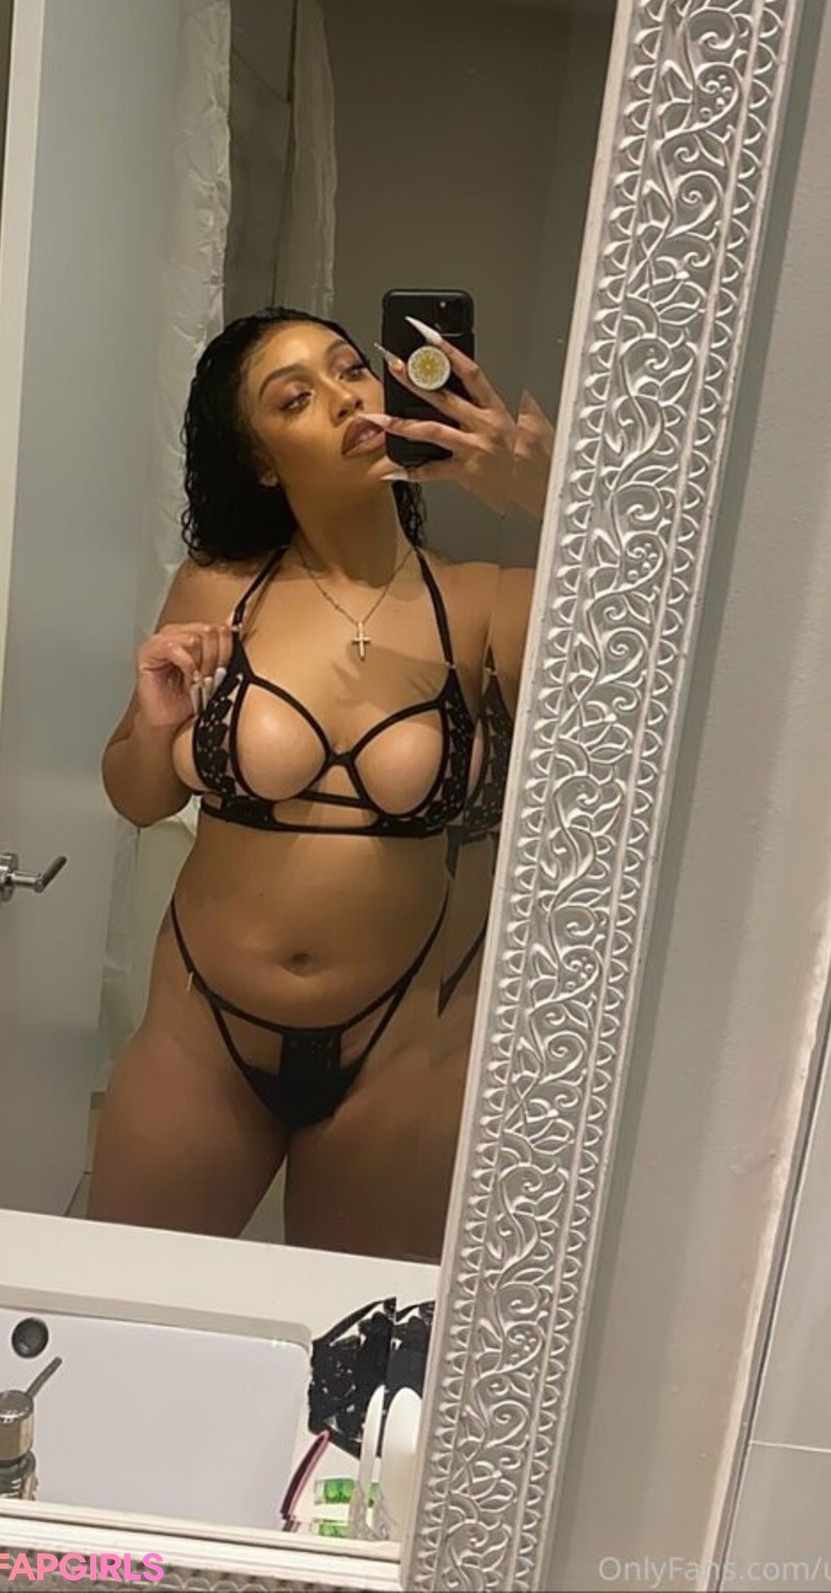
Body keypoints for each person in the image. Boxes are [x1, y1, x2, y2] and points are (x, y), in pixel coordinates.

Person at [89, 307, 549, 1259]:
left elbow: (664, 655)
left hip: (402, 1051)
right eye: (294, 397)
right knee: (130, 1305)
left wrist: (551, 494)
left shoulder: (483, 602)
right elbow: (139, 796)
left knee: (355, 1345)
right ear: (263, 462)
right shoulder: (218, 587)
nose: (343, 396)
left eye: (350, 369)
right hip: (200, 1036)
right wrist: (158, 721)